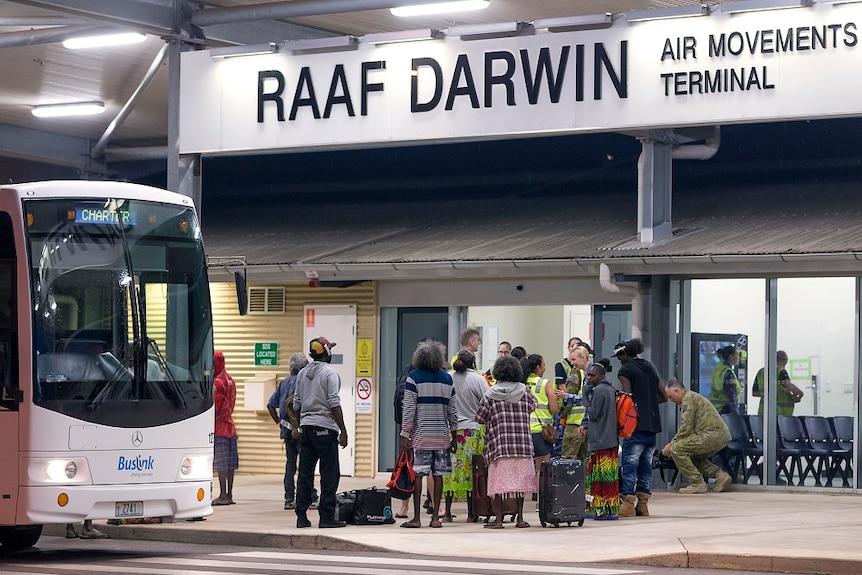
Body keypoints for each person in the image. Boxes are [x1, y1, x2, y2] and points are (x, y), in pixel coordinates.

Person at [399, 339, 457, 529]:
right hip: (441, 436)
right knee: (438, 476)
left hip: (421, 435)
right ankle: (435, 518)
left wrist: (404, 434)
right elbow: (452, 410)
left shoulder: (414, 377)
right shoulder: (448, 378)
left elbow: (409, 409)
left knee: (418, 475)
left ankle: (416, 517)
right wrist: (454, 435)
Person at [474, 355, 536, 529]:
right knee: (520, 484)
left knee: (498, 485)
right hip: (522, 444)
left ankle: (499, 519)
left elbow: (480, 417)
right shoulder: (524, 391)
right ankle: (520, 519)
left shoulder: (490, 394)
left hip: (499, 445)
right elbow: (533, 407)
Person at [293, 336, 349, 528]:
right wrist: (343, 430)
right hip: (325, 429)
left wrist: (302, 424)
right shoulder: (329, 373)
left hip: (307, 429)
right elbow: (334, 402)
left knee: (305, 473)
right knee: (329, 474)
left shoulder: (301, 374)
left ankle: (301, 516)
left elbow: (296, 404)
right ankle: (326, 517)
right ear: (327, 352)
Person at [613, 338, 667, 518]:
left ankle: (627, 505)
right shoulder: (649, 366)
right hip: (652, 424)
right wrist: (649, 404)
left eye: (619, 356)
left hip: (634, 426)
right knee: (646, 464)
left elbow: (627, 398)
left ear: (624, 354)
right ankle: (642, 505)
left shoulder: (625, 370)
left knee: (630, 464)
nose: (619, 360)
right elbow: (664, 396)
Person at [266, 352, 319, 510]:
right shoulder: (306, 383)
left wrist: (279, 423)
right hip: (302, 431)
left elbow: (270, 405)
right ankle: (310, 496)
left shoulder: (283, 383)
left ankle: (289, 498)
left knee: (290, 465)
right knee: (306, 465)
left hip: (287, 431)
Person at [662, 379, 733, 494]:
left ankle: (697, 483)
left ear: (677, 391)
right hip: (718, 435)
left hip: (711, 435)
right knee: (692, 456)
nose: (670, 400)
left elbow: (686, 427)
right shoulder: (691, 397)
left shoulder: (688, 400)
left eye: (670, 396)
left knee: (677, 449)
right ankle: (721, 476)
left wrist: (672, 444)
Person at [442, 349, 487, 523]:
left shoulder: (448, 377)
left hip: (451, 432)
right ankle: (470, 514)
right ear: (473, 362)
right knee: (471, 472)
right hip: (472, 432)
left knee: (450, 472)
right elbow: (487, 402)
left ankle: (446, 513)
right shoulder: (478, 379)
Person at [579, 359, 620, 520]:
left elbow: (593, 413)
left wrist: (585, 397)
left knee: (601, 477)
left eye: (592, 375)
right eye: (588, 375)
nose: (589, 378)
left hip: (601, 440)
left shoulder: (600, 391)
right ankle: (603, 508)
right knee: (607, 477)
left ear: (602, 375)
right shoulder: (609, 388)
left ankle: (603, 510)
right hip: (609, 439)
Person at [523, 353, 561, 498]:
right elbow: (554, 408)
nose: (545, 368)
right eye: (544, 365)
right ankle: (542, 500)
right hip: (541, 431)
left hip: (523, 431)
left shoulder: (521, 382)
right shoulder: (545, 384)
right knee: (541, 468)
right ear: (538, 367)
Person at [212, 350, 238, 506]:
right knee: (230, 464)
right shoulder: (230, 380)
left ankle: (222, 495)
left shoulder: (217, 383)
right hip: (230, 426)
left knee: (221, 463)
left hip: (219, 427)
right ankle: (229, 494)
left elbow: (215, 407)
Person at [558, 342, 590, 463]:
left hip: (574, 424)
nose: (572, 363)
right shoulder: (592, 373)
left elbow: (569, 398)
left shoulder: (576, 373)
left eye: (573, 359)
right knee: (585, 462)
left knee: (568, 461)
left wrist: (563, 415)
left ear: (583, 358)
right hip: (586, 425)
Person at [753, 350, 803, 416]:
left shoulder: (761, 372)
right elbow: (788, 385)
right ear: (784, 359)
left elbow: (755, 393)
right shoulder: (781, 371)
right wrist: (800, 394)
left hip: (763, 413)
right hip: (780, 414)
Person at [709, 345, 741, 414]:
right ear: (731, 357)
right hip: (725, 411)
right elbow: (732, 396)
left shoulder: (717, 369)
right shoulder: (728, 373)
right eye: (737, 355)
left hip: (715, 409)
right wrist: (736, 414)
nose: (739, 358)